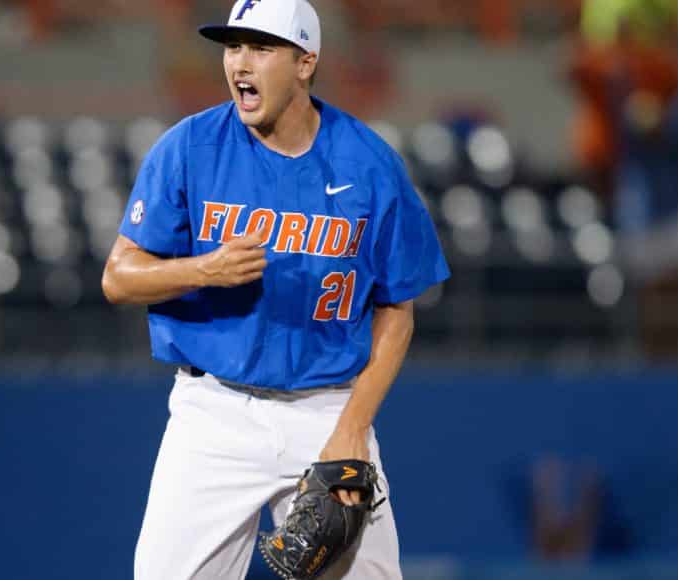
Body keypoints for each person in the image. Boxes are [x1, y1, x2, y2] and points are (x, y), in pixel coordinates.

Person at [101, 1, 449, 578]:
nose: (240, 63)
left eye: (261, 48)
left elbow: (397, 308)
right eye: (233, 47)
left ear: (305, 61)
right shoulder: (190, 147)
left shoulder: (369, 163)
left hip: (328, 408)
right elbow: (118, 276)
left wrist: (352, 429)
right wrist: (201, 270)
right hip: (214, 413)